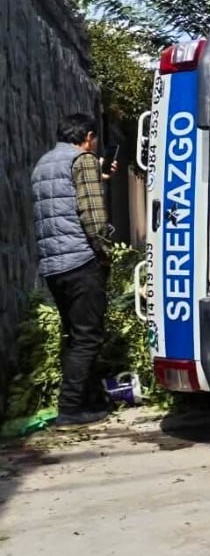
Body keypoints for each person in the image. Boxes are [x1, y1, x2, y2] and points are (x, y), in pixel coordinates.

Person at [29, 113, 118, 429]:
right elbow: (92, 219)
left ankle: (90, 401)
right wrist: (107, 255)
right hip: (81, 262)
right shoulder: (83, 161)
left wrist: (99, 178)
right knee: (88, 338)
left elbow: (62, 203)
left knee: (77, 335)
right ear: (89, 137)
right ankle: (70, 410)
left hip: (54, 267)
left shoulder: (44, 164)